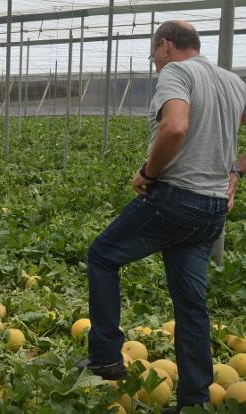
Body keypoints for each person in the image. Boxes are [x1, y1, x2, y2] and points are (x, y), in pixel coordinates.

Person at [78, 21, 246, 412]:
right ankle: (195, 399)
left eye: (153, 52)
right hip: (211, 210)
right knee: (191, 304)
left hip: (175, 198)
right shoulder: (232, 81)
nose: (154, 61)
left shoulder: (176, 72)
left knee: (102, 256)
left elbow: (175, 126)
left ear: (166, 45)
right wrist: (235, 172)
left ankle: (105, 356)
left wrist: (148, 173)